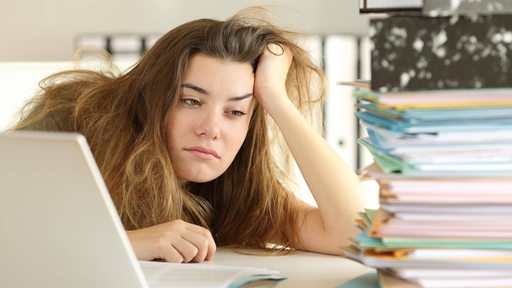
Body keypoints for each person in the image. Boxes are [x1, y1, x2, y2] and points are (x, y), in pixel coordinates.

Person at [11, 6, 365, 263]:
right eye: (191, 100)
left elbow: (352, 233)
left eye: (235, 111)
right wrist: (124, 243)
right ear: (154, 97)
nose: (211, 129)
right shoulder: (78, 118)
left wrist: (275, 97)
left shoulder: (238, 189)